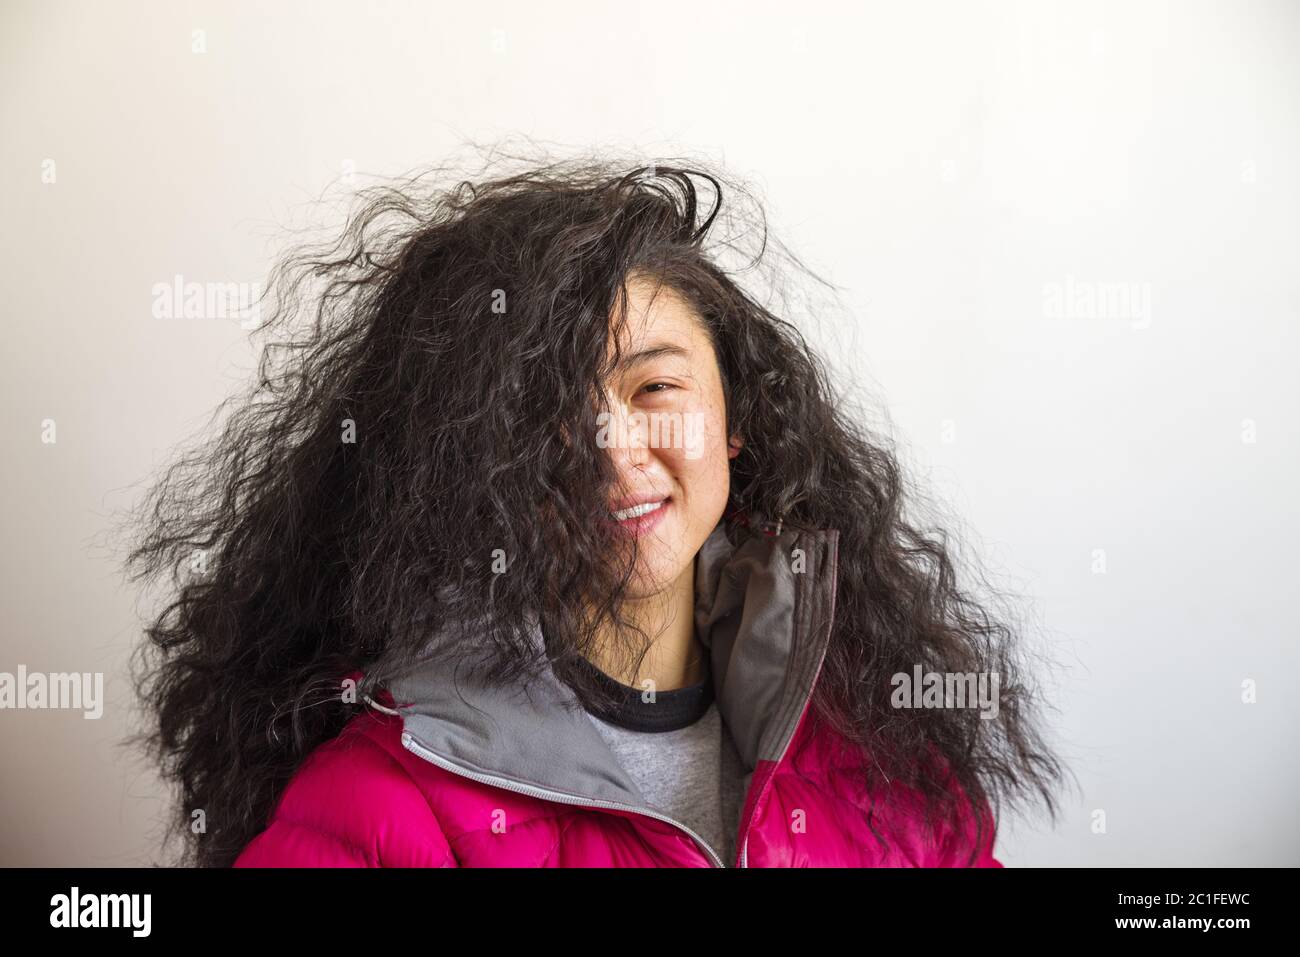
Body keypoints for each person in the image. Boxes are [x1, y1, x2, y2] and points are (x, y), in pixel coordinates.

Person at [123, 153, 1064, 867]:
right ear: (473, 464)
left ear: (736, 416)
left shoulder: (878, 728)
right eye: (543, 414)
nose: (616, 453)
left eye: (656, 386)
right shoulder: (377, 808)